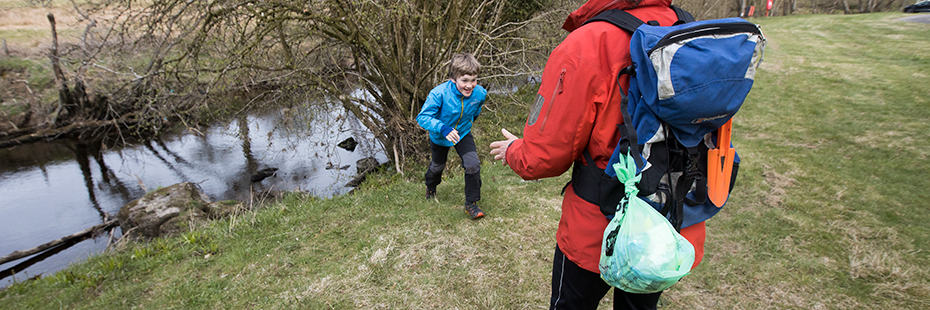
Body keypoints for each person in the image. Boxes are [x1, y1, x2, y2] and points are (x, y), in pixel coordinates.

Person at [489, 0, 709, 308]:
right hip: (668, 224)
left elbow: (543, 158)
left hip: (599, 228)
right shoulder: (690, 30)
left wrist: (515, 150)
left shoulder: (588, 43)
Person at [416, 53, 488, 220]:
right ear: (453, 79)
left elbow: (475, 111)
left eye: (474, 80)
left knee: (473, 165)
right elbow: (422, 118)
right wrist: (443, 128)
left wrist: (467, 125)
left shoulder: (480, 93)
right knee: (437, 167)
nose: (470, 85)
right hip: (440, 136)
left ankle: (471, 203)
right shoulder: (439, 94)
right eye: (465, 80)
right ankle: (431, 187)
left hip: (462, 134)